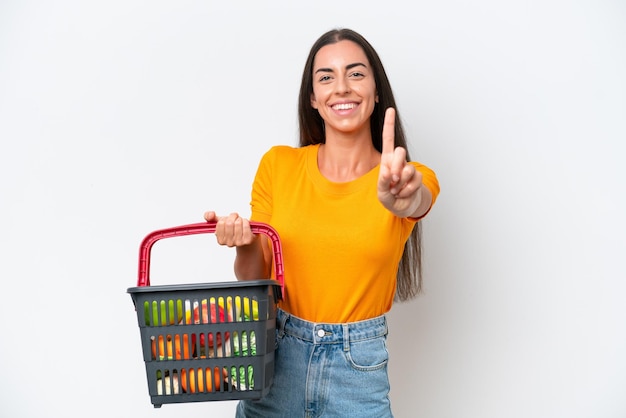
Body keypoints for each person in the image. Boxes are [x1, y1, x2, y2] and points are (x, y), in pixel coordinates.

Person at [204, 28, 439, 418]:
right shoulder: (279, 166)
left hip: (357, 374)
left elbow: (417, 199)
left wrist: (404, 194)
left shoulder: (407, 177)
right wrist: (245, 243)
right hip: (276, 362)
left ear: (376, 90)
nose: (342, 88)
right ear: (313, 98)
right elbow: (254, 282)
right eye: (326, 77)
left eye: (356, 73)